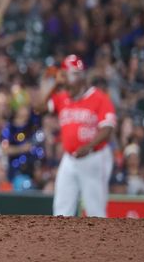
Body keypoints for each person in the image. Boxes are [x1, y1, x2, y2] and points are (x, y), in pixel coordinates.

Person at [38, 55, 116, 217]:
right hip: (69, 159)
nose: (66, 82)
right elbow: (39, 109)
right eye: (64, 76)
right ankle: (62, 242)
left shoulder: (99, 98)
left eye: (69, 76)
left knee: (95, 211)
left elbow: (107, 129)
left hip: (94, 157)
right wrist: (54, 86)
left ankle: (101, 242)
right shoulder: (63, 97)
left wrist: (89, 146)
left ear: (81, 77)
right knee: (61, 210)